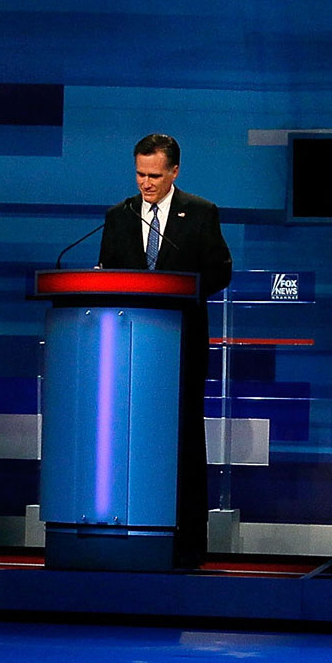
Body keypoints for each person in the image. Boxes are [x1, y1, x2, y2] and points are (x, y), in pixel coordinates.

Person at [96, 132, 233, 568]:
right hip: (128, 346)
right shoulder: (118, 216)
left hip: (183, 341)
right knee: (127, 433)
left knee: (184, 438)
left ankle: (188, 542)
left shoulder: (201, 214)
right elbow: (108, 274)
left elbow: (220, 271)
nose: (146, 183)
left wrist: (181, 293)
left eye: (154, 175)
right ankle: (127, 530)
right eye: (139, 173)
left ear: (174, 171)